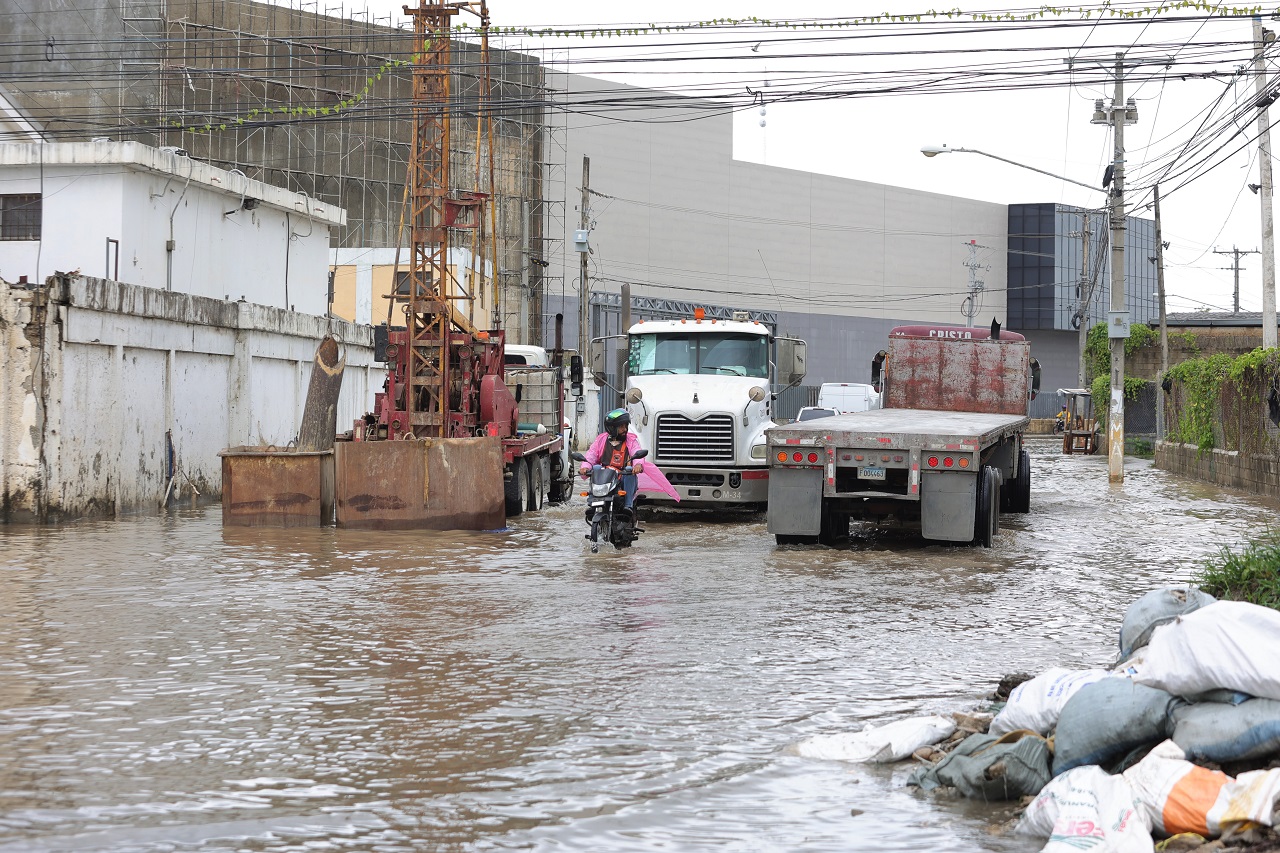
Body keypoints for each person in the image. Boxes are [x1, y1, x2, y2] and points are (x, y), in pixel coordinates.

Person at [579, 409, 679, 512]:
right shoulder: (601, 440)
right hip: (605, 479)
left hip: (622, 478)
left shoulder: (631, 441)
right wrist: (585, 467)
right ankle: (593, 503)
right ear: (612, 428)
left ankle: (628, 505)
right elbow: (590, 456)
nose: (625, 429)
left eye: (626, 426)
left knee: (629, 470)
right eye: (621, 426)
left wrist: (638, 465)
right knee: (596, 468)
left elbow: (637, 453)